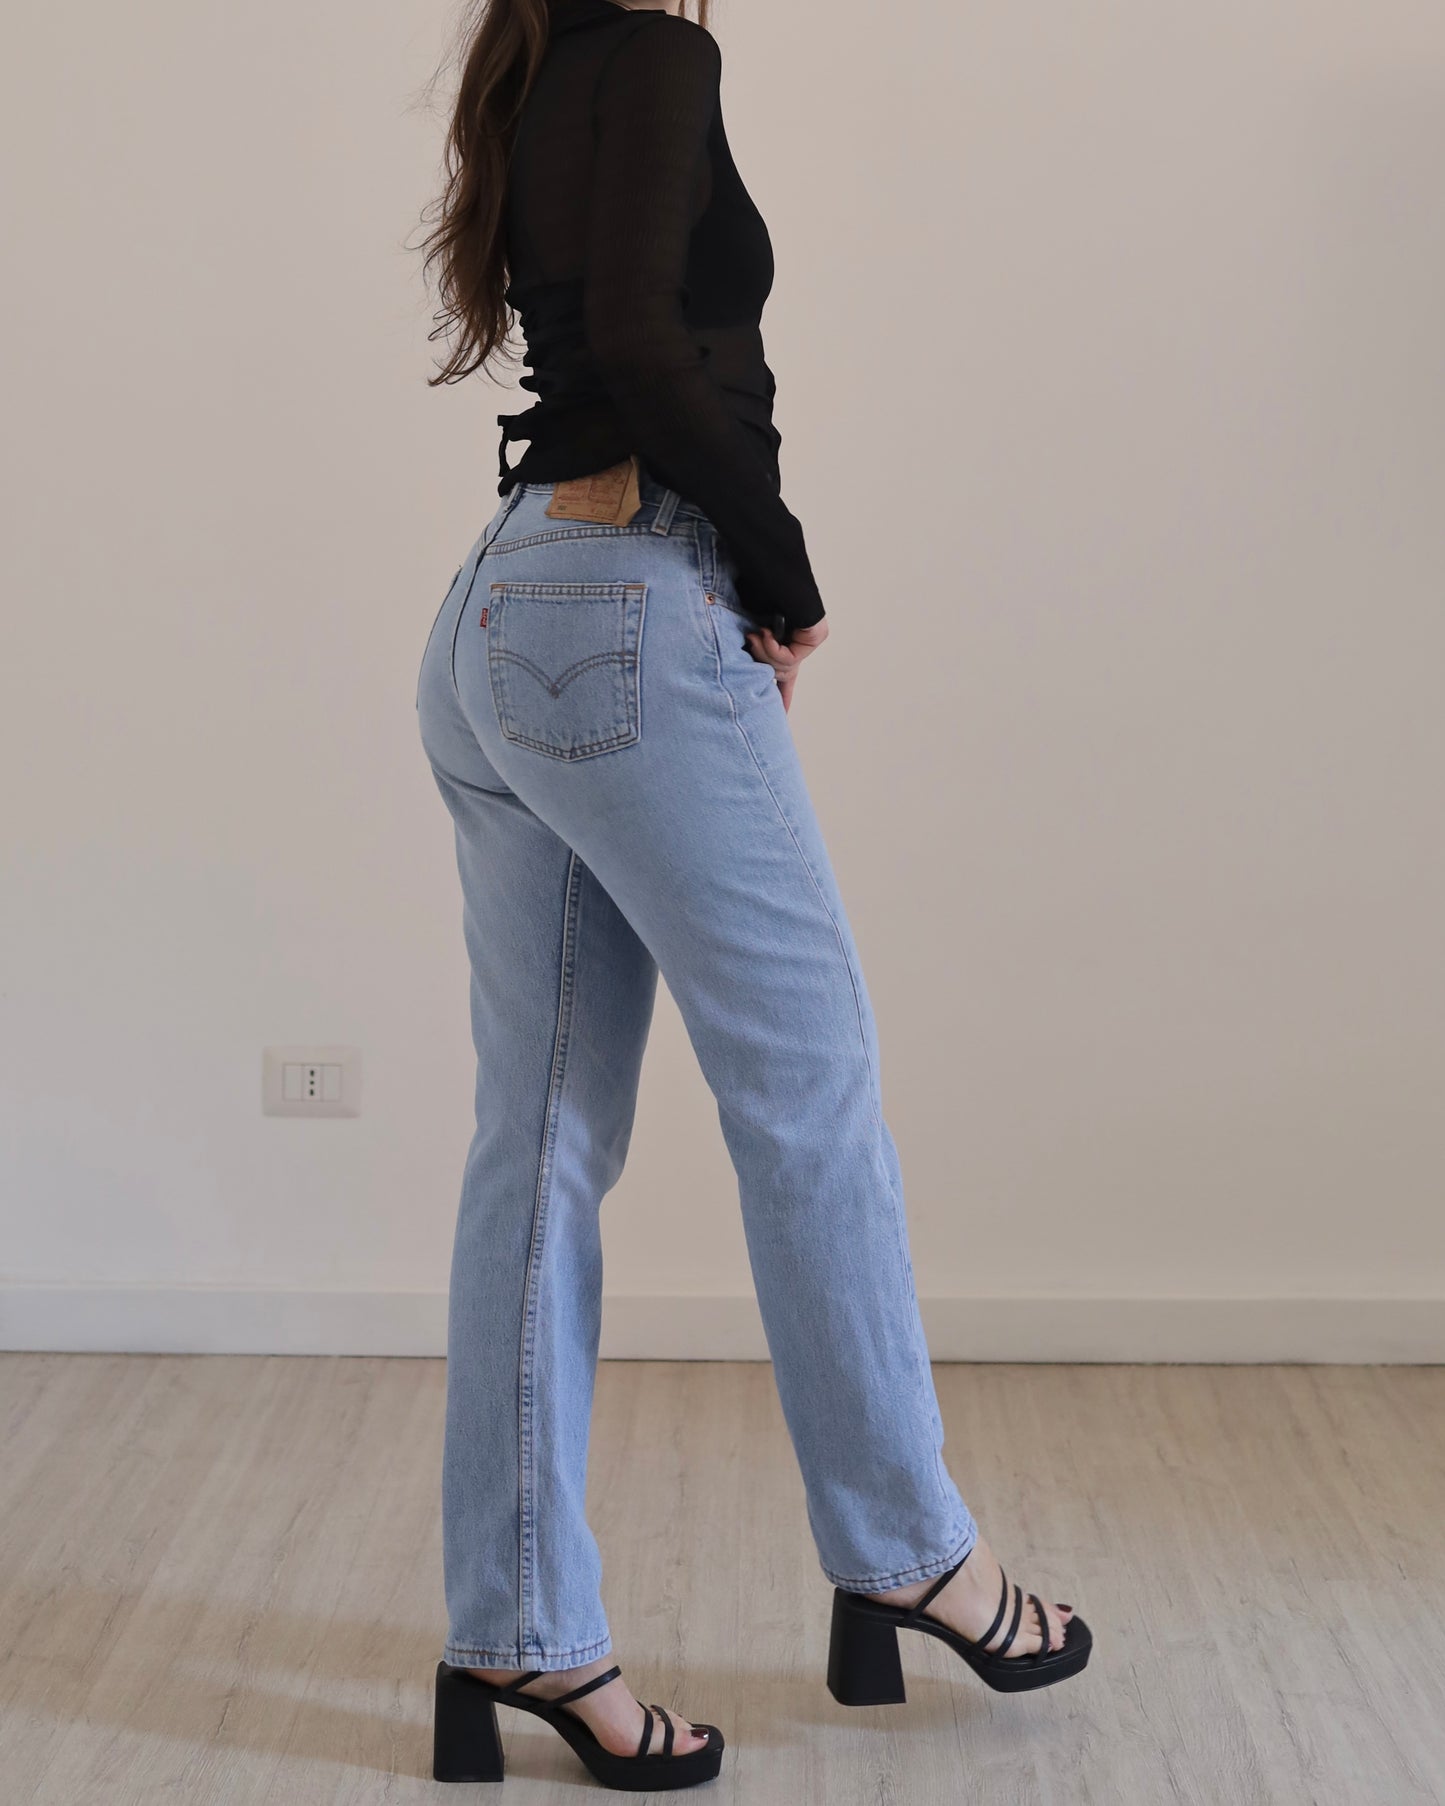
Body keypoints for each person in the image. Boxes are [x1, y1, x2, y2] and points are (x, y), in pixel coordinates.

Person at [415, 0, 1090, 1788]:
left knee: (538, 1142)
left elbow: (597, 337)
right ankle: (913, 1550)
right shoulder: (654, 49)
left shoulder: (535, 61)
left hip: (499, 609)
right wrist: (782, 579)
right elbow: (648, 340)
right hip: (624, 602)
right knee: (810, 1087)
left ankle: (519, 1630)